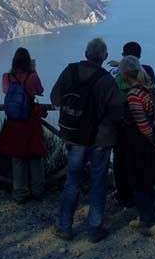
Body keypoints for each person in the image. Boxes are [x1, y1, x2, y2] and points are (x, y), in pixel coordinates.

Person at [50, 38, 122, 242]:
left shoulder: (70, 71)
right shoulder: (107, 80)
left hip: (74, 136)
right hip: (100, 140)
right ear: (105, 57)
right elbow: (117, 112)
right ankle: (95, 228)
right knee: (98, 183)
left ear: (85, 52)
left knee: (72, 181)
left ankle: (64, 227)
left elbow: (55, 98)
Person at [119, 55, 155, 238]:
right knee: (146, 182)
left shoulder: (133, 95)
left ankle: (151, 223)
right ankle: (144, 216)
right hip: (151, 144)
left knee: (139, 183)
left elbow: (143, 126)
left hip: (141, 146)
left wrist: (153, 140)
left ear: (125, 75)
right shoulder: (148, 88)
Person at [0, 47, 48, 203]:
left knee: (17, 158)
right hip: (30, 121)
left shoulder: (6, 77)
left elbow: (6, 91)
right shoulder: (32, 77)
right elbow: (40, 91)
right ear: (28, 62)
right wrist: (34, 70)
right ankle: (38, 191)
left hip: (14, 122)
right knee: (35, 156)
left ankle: (19, 193)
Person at [109, 41, 155, 206]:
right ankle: (148, 196)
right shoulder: (147, 71)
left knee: (120, 159)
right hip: (143, 128)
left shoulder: (114, 73)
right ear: (140, 56)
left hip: (121, 126)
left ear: (123, 56)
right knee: (142, 162)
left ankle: (123, 194)